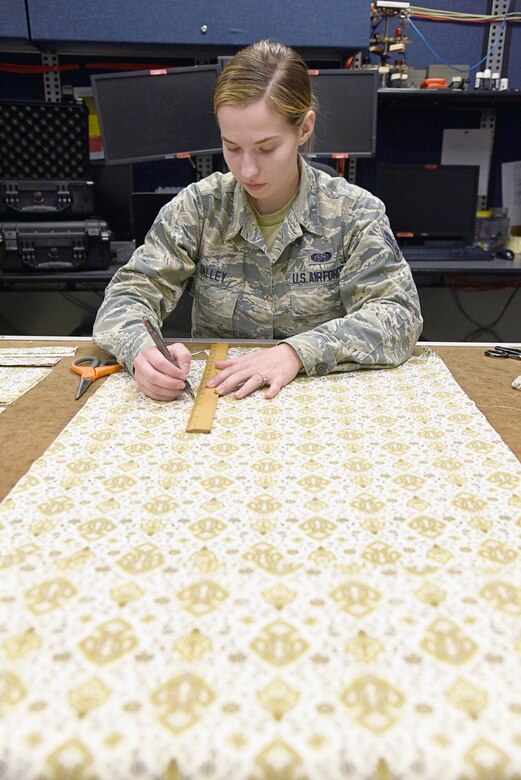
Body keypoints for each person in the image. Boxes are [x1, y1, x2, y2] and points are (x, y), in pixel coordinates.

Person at [93, 39, 423, 401]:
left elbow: (398, 316)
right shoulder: (200, 208)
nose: (247, 169)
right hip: (219, 397)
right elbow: (128, 294)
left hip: (321, 403)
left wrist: (296, 353)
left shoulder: (354, 213)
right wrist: (141, 350)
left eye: (266, 148)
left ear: (304, 128)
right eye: (232, 147)